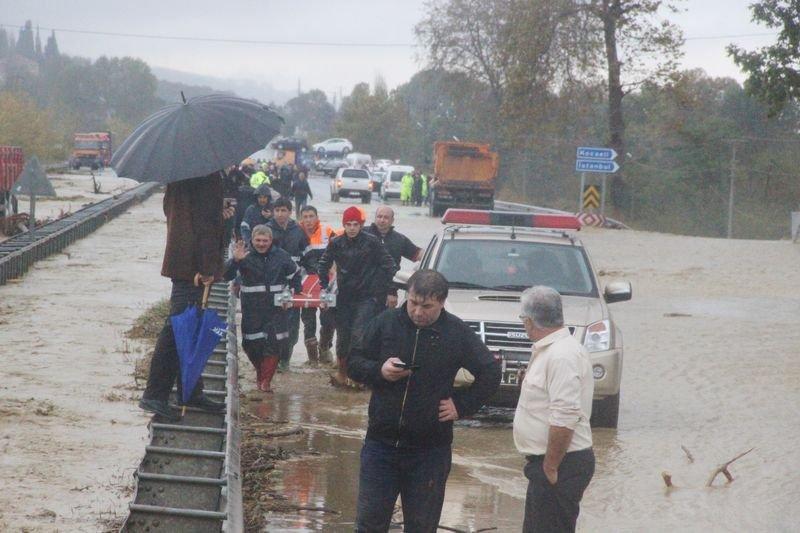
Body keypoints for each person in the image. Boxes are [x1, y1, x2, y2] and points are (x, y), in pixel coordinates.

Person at [348, 270, 502, 532]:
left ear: (442, 303)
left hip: (430, 451)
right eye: (413, 303)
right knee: (369, 523)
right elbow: (353, 361)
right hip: (380, 445)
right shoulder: (386, 323)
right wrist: (379, 371)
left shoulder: (456, 333)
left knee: (421, 526)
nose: (418, 312)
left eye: (427, 306)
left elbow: (490, 373)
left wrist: (461, 405)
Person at [138, 172, 233, 422]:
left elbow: (179, 216)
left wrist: (218, 214)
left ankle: (190, 391)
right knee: (177, 329)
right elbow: (202, 228)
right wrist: (206, 268)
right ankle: (155, 394)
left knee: (187, 329)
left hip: (183, 264)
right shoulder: (205, 177)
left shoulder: (180, 177)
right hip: (193, 269)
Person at [514, 286, 595, 533]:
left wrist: (550, 465)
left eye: (522, 319)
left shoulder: (562, 355)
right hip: (549, 461)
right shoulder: (548, 349)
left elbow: (565, 417)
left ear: (529, 321)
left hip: (562, 462)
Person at [318, 206, 398, 387]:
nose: (352, 228)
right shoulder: (336, 243)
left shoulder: (372, 242)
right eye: (348, 224)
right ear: (344, 225)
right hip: (344, 297)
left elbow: (390, 266)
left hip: (367, 298)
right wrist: (324, 288)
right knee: (343, 336)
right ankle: (341, 372)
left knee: (359, 336)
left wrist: (383, 288)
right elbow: (323, 264)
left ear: (361, 225)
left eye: (355, 224)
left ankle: (358, 375)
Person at [224, 226, 299, 392]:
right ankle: (261, 372)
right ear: (252, 240)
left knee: (275, 344)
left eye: (265, 241)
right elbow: (226, 276)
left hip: (276, 310)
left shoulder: (282, 256)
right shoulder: (245, 255)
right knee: (251, 344)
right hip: (252, 309)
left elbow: (296, 277)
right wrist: (235, 261)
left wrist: (290, 295)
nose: (261, 244)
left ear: (271, 241)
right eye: (258, 240)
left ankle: (265, 383)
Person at [268, 197, 310, 371]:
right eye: (277, 210)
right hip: (271, 283)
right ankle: (271, 359)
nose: (280, 214)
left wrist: (313, 274)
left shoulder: (298, 231)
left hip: (293, 283)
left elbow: (308, 256)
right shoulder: (267, 230)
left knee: (291, 324)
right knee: (272, 322)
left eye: (283, 210)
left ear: (290, 212)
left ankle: (286, 359)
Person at [299, 205, 337, 366]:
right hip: (305, 285)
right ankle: (312, 356)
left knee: (328, 318)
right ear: (301, 219)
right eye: (305, 217)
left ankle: (325, 347)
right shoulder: (296, 233)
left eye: (311, 216)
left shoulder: (327, 232)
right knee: (308, 319)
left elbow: (340, 250)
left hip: (326, 283)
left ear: (317, 217)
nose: (308, 220)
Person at [364, 206, 422, 309]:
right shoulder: (361, 235)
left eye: (386, 218)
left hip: (387, 296)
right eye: (379, 216)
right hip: (361, 293)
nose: (382, 220)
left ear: (392, 220)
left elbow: (419, 255)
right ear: (374, 218)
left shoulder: (399, 240)